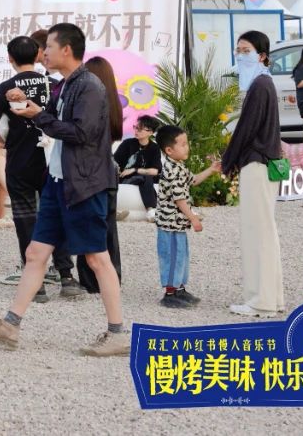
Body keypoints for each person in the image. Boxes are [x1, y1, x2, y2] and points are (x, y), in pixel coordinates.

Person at [0, 23, 128, 356]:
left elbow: (79, 133)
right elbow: (53, 118)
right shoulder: (67, 84)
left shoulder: (89, 86)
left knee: (97, 258)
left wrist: (38, 114)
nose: (44, 53)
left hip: (83, 184)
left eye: (50, 47)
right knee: (36, 253)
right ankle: (10, 325)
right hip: (58, 181)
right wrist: (29, 105)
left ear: (66, 49)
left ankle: (117, 333)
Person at [0, 35, 79, 300]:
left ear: (10, 58)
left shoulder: (4, 88)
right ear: (38, 55)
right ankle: (66, 276)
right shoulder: (55, 85)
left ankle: (36, 283)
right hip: (54, 161)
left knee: (26, 219)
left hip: (20, 161)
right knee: (57, 215)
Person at [221, 30, 286, 317]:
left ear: (262, 56)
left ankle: (260, 300)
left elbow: (245, 129)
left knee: (257, 234)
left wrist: (227, 161)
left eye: (246, 50)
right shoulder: (264, 83)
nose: (240, 55)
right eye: (238, 50)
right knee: (265, 233)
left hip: (257, 164)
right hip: (262, 163)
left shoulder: (260, 85)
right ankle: (271, 297)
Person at [154, 125, 220, 309]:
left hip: (177, 224)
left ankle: (179, 288)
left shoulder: (179, 166)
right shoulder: (172, 170)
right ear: (169, 150)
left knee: (181, 255)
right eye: (182, 144)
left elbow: (194, 180)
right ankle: (170, 293)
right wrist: (193, 218)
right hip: (170, 225)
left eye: (186, 143)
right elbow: (179, 200)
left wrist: (211, 170)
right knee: (172, 256)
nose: (187, 147)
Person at [74, 56, 125, 293]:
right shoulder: (114, 104)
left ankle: (90, 279)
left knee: (88, 225)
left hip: (90, 171)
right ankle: (112, 276)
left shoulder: (89, 102)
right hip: (109, 168)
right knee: (108, 226)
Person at [115, 114, 162, 219]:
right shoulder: (127, 144)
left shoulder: (154, 148)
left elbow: (155, 171)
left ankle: (151, 211)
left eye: (140, 129)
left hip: (142, 179)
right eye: (135, 127)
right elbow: (114, 162)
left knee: (147, 177)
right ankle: (151, 211)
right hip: (124, 178)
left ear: (150, 132)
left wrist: (134, 170)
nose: (136, 131)